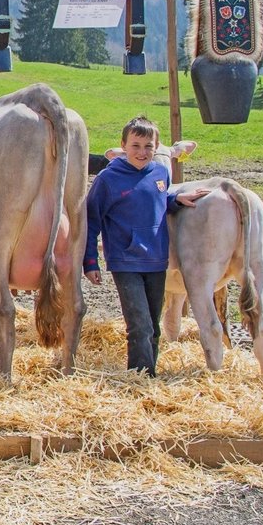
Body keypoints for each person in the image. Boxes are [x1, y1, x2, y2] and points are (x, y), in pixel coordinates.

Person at [84, 115, 210, 376]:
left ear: (157, 146)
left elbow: (157, 201)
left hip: (156, 258)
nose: (142, 152)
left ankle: (147, 374)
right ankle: (141, 377)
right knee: (139, 324)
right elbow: (91, 220)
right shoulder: (108, 179)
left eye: (148, 147)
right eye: (136, 146)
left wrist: (176, 199)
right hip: (125, 261)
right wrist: (90, 261)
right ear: (123, 146)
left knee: (153, 324)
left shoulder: (161, 172)